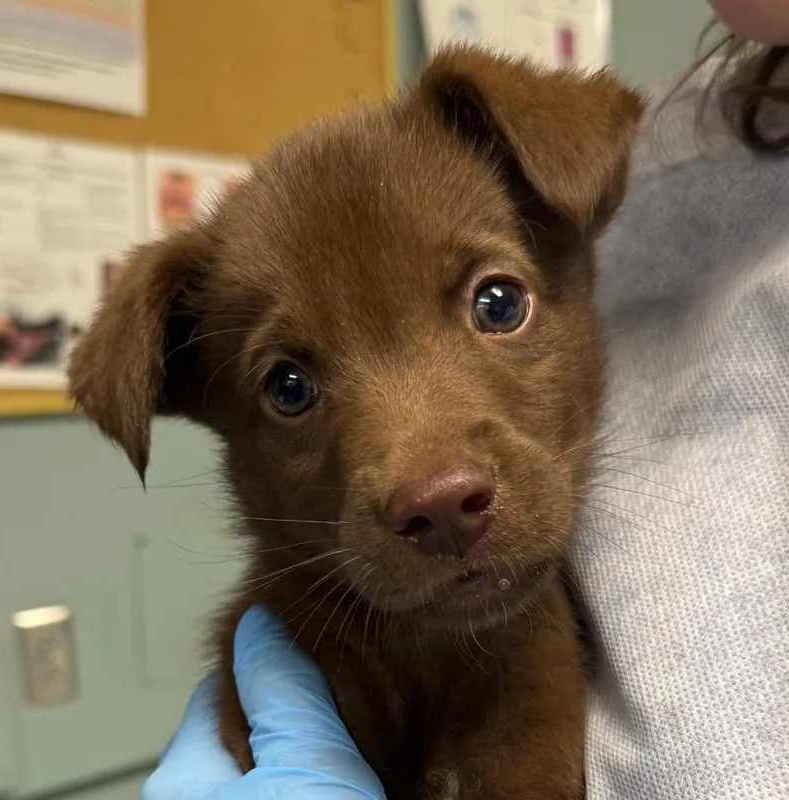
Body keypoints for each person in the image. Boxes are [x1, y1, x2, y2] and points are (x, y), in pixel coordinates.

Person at [143, 1, 789, 798]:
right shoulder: (673, 154)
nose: (430, 481)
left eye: (496, 306)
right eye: (291, 389)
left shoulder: (549, 157)